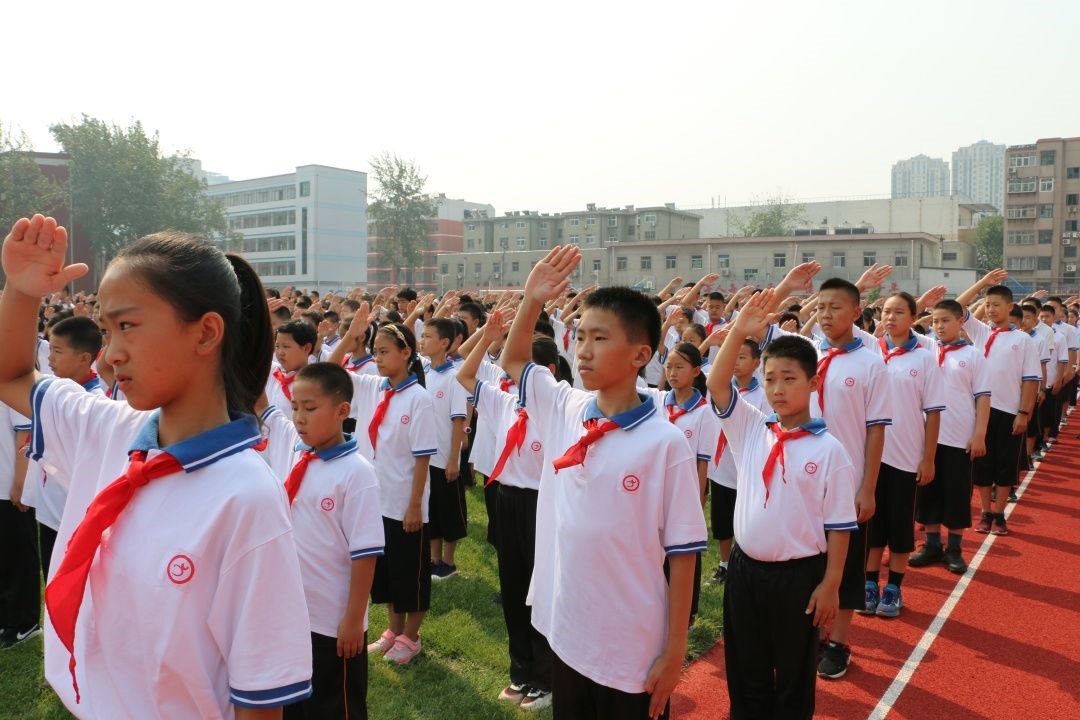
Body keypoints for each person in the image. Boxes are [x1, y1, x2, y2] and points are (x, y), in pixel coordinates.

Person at [0, 215, 312, 716]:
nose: (111, 354)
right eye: (105, 330)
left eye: (127, 326)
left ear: (206, 332)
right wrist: (20, 290)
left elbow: (259, 698)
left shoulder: (246, 499)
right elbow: (10, 373)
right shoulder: (107, 427)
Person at [501, 245, 707, 720]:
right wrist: (531, 300)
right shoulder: (566, 408)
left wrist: (674, 652)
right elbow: (514, 361)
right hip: (569, 631)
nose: (584, 349)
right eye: (580, 336)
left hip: (631, 645)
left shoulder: (664, 444)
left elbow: (683, 554)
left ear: (641, 354)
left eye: (599, 337)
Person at [707, 288, 856, 720]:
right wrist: (738, 330)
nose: (777, 389)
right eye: (770, 378)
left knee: (792, 675)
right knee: (745, 669)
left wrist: (830, 585)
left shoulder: (830, 452)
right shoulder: (752, 429)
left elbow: (840, 526)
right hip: (745, 571)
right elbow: (716, 383)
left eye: (789, 379)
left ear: (813, 383)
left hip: (798, 578)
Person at [456, 313, 562, 711]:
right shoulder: (505, 402)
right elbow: (465, 376)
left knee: (540, 591)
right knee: (514, 587)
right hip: (507, 499)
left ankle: (546, 676)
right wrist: (488, 336)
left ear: (549, 372)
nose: (515, 375)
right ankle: (520, 670)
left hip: (542, 503)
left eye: (527, 369)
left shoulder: (558, 408)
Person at [274, 363, 383, 720]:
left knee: (336, 705)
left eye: (309, 408)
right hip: (293, 612)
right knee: (295, 702)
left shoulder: (357, 474)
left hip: (332, 621)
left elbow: (364, 555)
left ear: (341, 412)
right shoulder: (296, 454)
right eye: (295, 407)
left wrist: (353, 619)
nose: (299, 418)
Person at [808, 278, 891, 679]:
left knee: (846, 564)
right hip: (805, 481)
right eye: (821, 307)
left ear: (856, 312)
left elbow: (876, 430)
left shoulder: (871, 363)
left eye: (835, 307)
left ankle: (839, 641)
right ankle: (814, 634)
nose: (825, 314)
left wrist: (868, 486)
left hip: (848, 481)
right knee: (809, 560)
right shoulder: (806, 354)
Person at [348, 313, 437, 667]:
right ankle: (392, 630)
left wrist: (415, 506)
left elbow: (421, 460)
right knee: (384, 572)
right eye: (375, 351)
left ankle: (411, 637)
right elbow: (334, 371)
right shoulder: (375, 388)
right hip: (377, 500)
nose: (378, 358)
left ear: (406, 352)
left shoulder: (418, 399)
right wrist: (352, 334)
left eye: (384, 351)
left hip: (404, 503)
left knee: (410, 573)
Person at [862, 293, 944, 619]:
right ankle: (869, 584)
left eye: (899, 312)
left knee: (899, 526)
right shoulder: (870, 353)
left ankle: (893, 587)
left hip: (906, 457)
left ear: (914, 317)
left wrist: (928, 458)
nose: (891, 317)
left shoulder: (924, 359)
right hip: (869, 456)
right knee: (869, 524)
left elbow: (934, 413)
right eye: (886, 311)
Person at [14, 315, 104, 581]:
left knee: (73, 583)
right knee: (52, 577)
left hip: (73, 513)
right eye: (50, 349)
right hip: (51, 509)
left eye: (57, 351)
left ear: (84, 359)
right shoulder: (56, 395)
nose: (49, 358)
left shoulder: (94, 405)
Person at [909, 300, 990, 574]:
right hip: (927, 436)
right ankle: (931, 544)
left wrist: (979, 434)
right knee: (928, 491)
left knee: (956, 493)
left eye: (945, 320)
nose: (939, 326)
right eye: (934, 321)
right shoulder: (925, 349)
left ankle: (954, 548)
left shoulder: (974, 355)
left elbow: (983, 398)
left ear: (960, 322)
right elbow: (898, 327)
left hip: (959, 437)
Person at [955, 273, 1040, 536]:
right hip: (980, 412)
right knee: (982, 465)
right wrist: (981, 284)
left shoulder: (1022, 339)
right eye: (988, 305)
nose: (991, 310)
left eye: (996, 305)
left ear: (1009, 307)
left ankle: (1000, 514)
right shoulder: (980, 332)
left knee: (1004, 466)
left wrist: (1024, 413)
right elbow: (957, 307)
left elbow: (1030, 380)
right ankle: (984, 512)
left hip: (1009, 411)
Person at [707, 338, 768, 586]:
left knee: (747, 518)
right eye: (734, 356)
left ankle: (746, 563)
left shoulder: (763, 396)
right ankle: (724, 564)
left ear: (756, 363)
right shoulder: (719, 390)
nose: (736, 361)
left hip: (747, 469)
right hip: (722, 467)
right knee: (722, 520)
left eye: (742, 357)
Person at [418, 318, 469, 580]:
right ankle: (433, 557)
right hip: (425, 457)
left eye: (428, 336)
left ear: (444, 343)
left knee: (450, 509)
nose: (422, 341)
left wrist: (453, 460)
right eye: (422, 336)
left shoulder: (454, 377)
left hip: (444, 457)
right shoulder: (423, 372)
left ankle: (448, 561)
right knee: (431, 508)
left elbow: (458, 419)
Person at [0, 401, 33, 650]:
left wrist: (20, 484)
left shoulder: (10, 381)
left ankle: (25, 623)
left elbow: (25, 432)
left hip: (9, 486)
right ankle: (7, 618)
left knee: (17, 554)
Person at [268, 320, 316, 411]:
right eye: (277, 346)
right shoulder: (272, 371)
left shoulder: (313, 383)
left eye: (286, 347)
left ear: (307, 348)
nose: (280, 352)